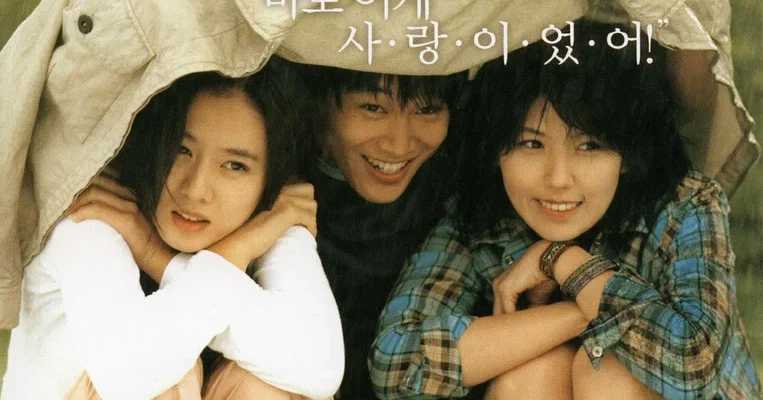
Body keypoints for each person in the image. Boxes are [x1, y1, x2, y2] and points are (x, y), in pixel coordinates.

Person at [371, 20, 761, 399]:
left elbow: (694, 364)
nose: (558, 179)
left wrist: (564, 262)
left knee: (605, 371)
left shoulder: (685, 204)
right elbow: (396, 365)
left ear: (627, 153)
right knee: (533, 371)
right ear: (497, 150)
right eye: (531, 144)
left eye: (589, 146)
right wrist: (578, 313)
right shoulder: (480, 214)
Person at [1, 59, 344, 400]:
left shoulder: (269, 216)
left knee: (273, 386)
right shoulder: (94, 214)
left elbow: (320, 369)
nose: (195, 190)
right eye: (182, 149)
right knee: (166, 377)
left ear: (271, 177)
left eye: (234, 165)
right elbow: (128, 377)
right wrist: (235, 253)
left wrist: (159, 258)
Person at [297, 65, 468, 399]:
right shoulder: (263, 181)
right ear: (320, 104)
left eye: (427, 109)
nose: (399, 145)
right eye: (373, 108)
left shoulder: (457, 187)